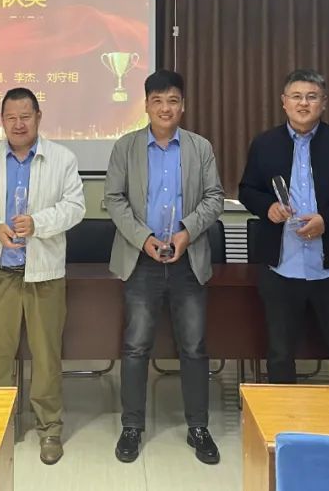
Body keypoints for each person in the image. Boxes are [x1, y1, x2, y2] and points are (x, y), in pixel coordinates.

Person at [0, 87, 85, 465]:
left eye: (25, 116)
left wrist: (38, 223)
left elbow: (75, 207)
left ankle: (50, 429)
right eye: (11, 117)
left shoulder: (62, 158)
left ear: (38, 117)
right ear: (1, 120)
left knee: (46, 356)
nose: (18, 124)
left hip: (44, 274)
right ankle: (0, 425)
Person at [105, 69, 225, 465]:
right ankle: (132, 427)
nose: (165, 108)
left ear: (183, 105)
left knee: (194, 346)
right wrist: (144, 238)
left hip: (188, 260)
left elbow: (214, 197)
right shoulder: (126, 147)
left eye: (172, 100)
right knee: (136, 345)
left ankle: (198, 427)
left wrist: (186, 233)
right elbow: (114, 199)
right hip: (141, 259)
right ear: (146, 105)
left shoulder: (199, 147)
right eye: (157, 101)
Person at [238, 68, 329, 385]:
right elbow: (247, 189)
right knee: (279, 355)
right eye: (296, 96)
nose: (304, 103)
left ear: (323, 102)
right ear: (284, 102)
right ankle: (282, 418)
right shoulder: (265, 144)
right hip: (281, 268)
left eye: (312, 97)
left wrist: (328, 221)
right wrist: (267, 207)